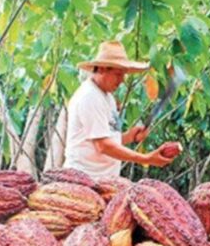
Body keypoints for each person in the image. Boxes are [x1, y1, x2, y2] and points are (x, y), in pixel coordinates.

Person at [63, 40, 174, 179]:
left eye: (123, 74)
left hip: (103, 180)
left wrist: (130, 136)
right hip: (83, 178)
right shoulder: (89, 97)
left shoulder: (107, 97)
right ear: (102, 69)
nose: (122, 80)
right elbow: (103, 146)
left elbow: (106, 138)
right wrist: (146, 158)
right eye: (118, 74)